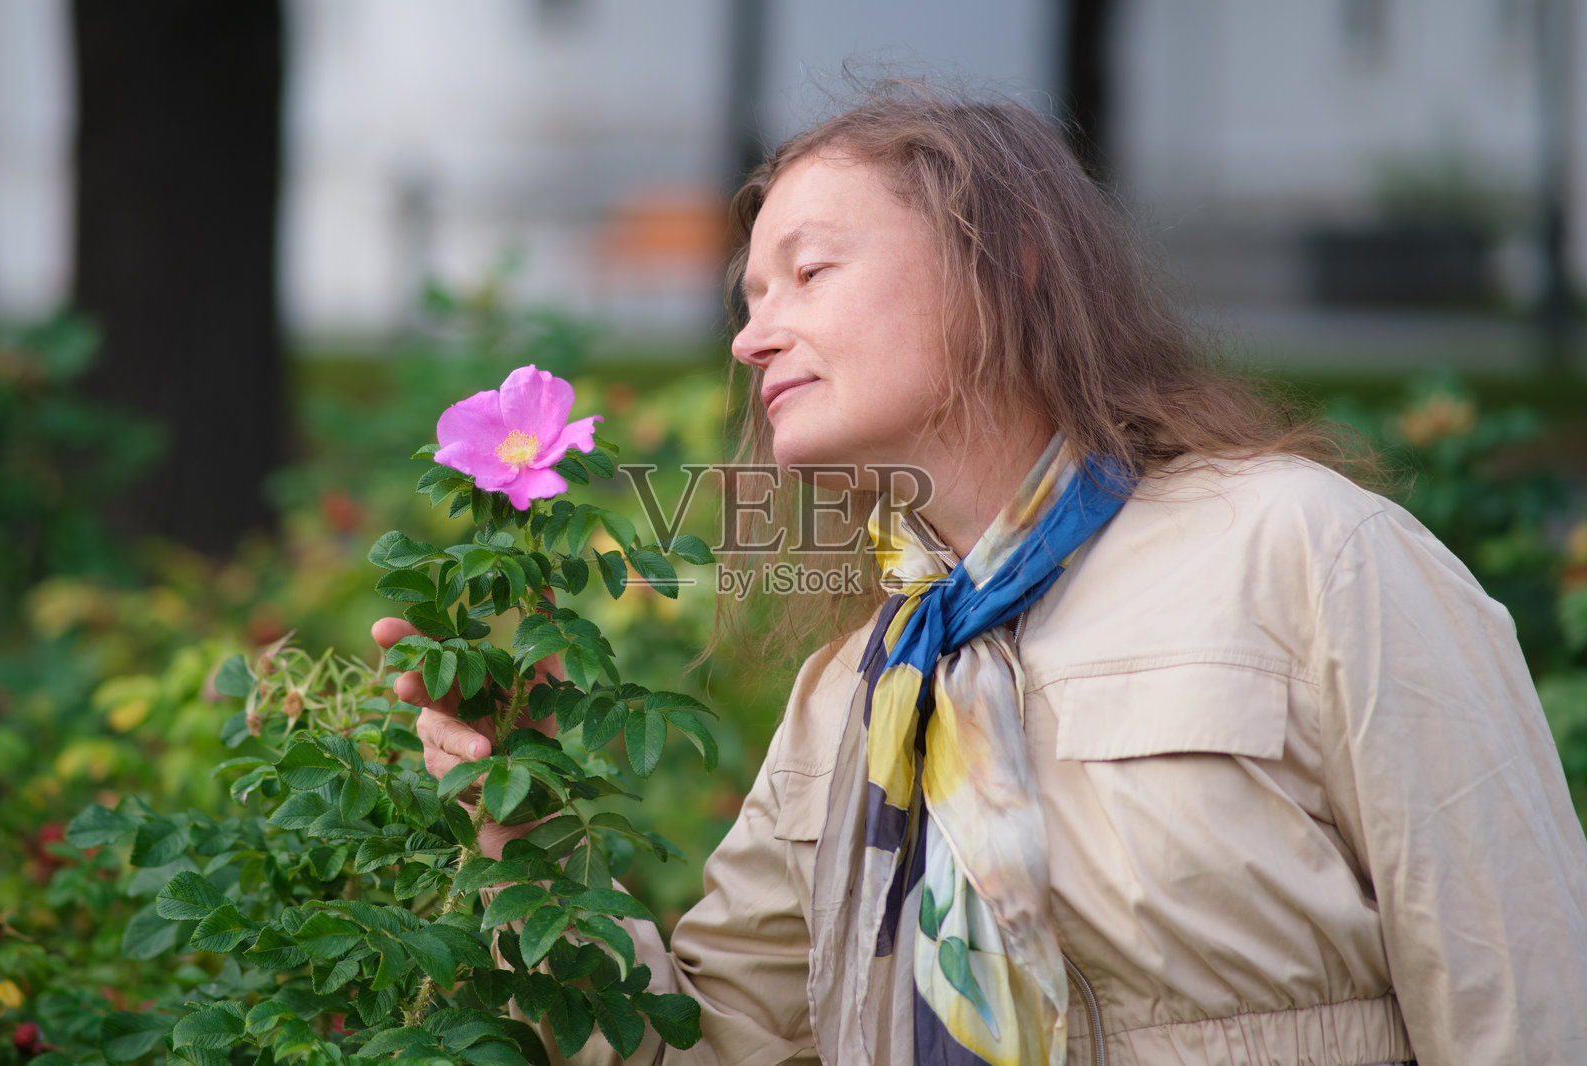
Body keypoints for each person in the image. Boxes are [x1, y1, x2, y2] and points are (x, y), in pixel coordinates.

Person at [374, 85, 1587, 1066]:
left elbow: (1521, 994)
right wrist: (516, 826)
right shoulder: (854, 687)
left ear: (1005, 264)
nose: (750, 334)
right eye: (748, 297)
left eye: (809, 271)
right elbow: (706, 1046)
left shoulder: (1307, 553)